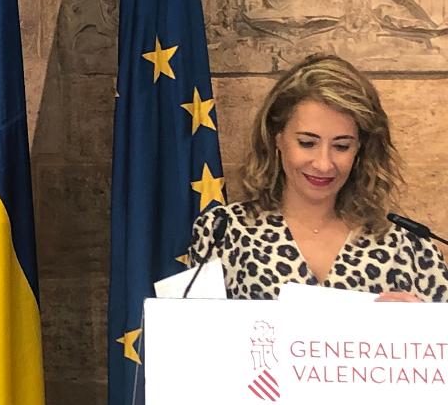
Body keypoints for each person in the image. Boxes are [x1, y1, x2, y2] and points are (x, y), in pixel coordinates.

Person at [188, 53, 448, 301]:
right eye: (307, 143)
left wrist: (428, 325)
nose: (324, 164)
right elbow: (190, 339)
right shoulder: (223, 232)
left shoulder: (409, 246)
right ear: (276, 137)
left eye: (341, 146)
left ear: (361, 149)